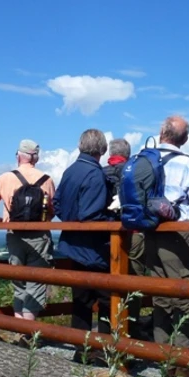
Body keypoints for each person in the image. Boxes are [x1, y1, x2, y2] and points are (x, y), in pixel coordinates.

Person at [147, 116, 189, 377]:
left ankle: (166, 362)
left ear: (161, 132)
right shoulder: (187, 164)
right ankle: (184, 367)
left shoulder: (144, 159)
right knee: (185, 296)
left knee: (161, 298)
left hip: (148, 232)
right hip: (177, 234)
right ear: (184, 140)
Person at [54, 129, 115, 363]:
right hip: (94, 249)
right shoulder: (94, 174)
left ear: (81, 146)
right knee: (109, 300)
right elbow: (90, 215)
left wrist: (70, 221)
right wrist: (114, 221)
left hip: (71, 247)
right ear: (102, 150)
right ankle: (102, 351)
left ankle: (81, 350)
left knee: (81, 301)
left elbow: (57, 205)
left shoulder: (70, 171)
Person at [0, 139, 55, 322]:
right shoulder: (47, 180)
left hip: (14, 236)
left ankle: (19, 332)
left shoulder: (5, 178)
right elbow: (53, 210)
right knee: (35, 286)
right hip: (40, 237)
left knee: (19, 285)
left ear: (18, 156)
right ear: (35, 158)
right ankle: (27, 337)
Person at [104, 137, 149, 339]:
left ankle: (111, 324)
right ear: (128, 155)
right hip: (134, 233)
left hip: (107, 235)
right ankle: (132, 325)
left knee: (109, 280)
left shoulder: (100, 174)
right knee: (135, 279)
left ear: (110, 154)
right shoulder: (132, 173)